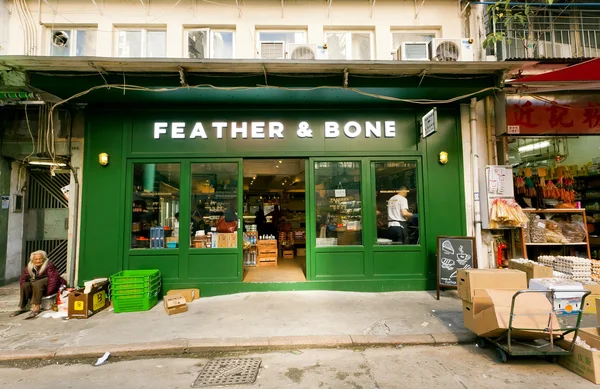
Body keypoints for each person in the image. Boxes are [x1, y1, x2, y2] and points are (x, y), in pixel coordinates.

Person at [11, 250, 62, 319]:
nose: (38, 261)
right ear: (32, 260)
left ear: (44, 259)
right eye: (36, 259)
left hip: (48, 282)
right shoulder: (30, 266)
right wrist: (24, 289)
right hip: (37, 283)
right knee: (25, 284)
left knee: (37, 283)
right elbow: (23, 279)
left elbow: (53, 280)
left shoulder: (49, 265)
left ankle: (37, 307)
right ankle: (22, 307)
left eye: (40, 259)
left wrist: (48, 293)